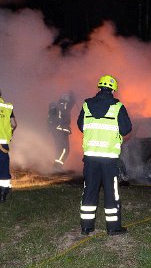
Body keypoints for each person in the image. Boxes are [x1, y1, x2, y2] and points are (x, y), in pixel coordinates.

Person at [77, 75, 132, 236]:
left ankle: (86, 227)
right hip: (109, 159)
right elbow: (126, 129)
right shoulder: (117, 106)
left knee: (89, 190)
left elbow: (81, 125)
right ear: (113, 89)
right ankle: (113, 227)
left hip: (90, 157)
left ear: (99, 87)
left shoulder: (86, 105)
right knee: (111, 192)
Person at [48, 92, 74, 169]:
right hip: (61, 131)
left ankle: (57, 165)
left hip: (56, 131)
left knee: (59, 149)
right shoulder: (64, 106)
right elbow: (70, 105)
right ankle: (57, 166)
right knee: (65, 149)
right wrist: (73, 97)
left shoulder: (57, 106)